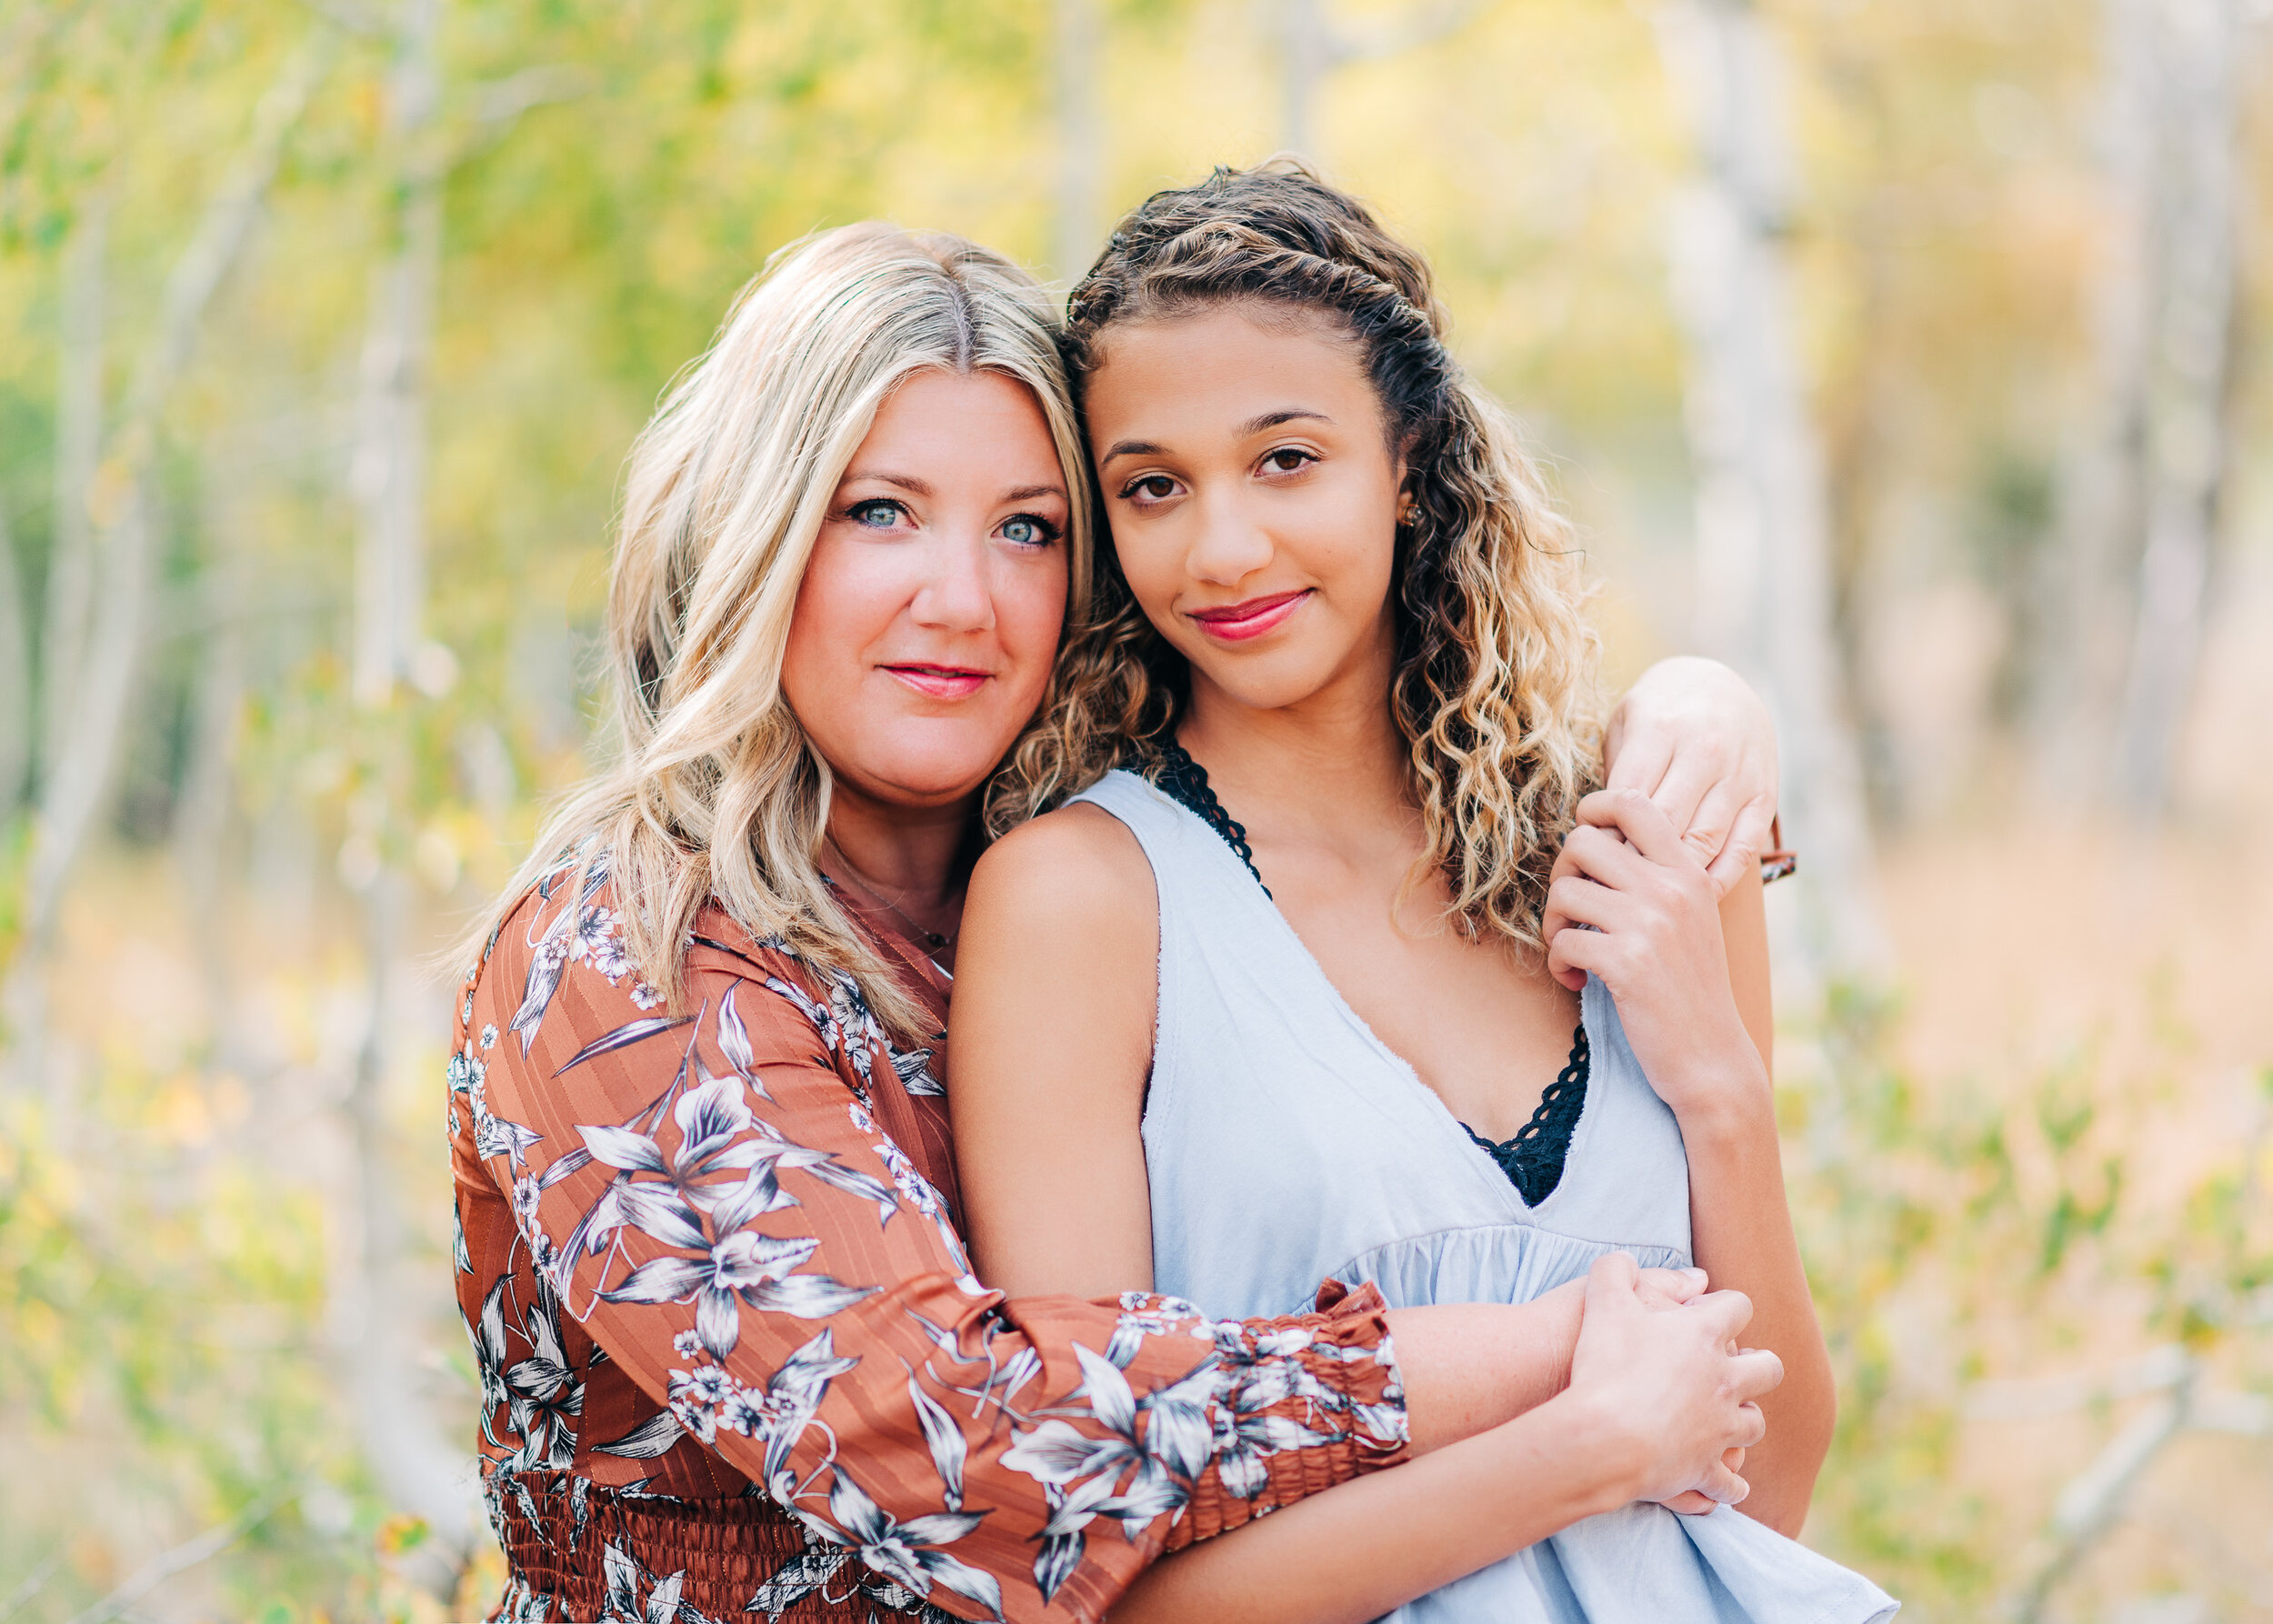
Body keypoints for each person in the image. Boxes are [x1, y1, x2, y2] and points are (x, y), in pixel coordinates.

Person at [451, 219, 1789, 1624]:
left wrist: (1701, 708)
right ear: (755, 531)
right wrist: (1579, 1343)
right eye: (877, 511)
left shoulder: (1082, 884)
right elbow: (969, 1437)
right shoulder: (622, 961)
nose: (960, 600)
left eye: (1026, 527)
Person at [950, 164, 1897, 1623]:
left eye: (1286, 460)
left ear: (1407, 461)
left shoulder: (1638, 842)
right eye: (1153, 485)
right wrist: (1581, 1455)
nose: (1222, 549)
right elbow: (1108, 1582)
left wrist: (1719, 1085)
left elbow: (1763, 1498)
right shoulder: (1082, 900)